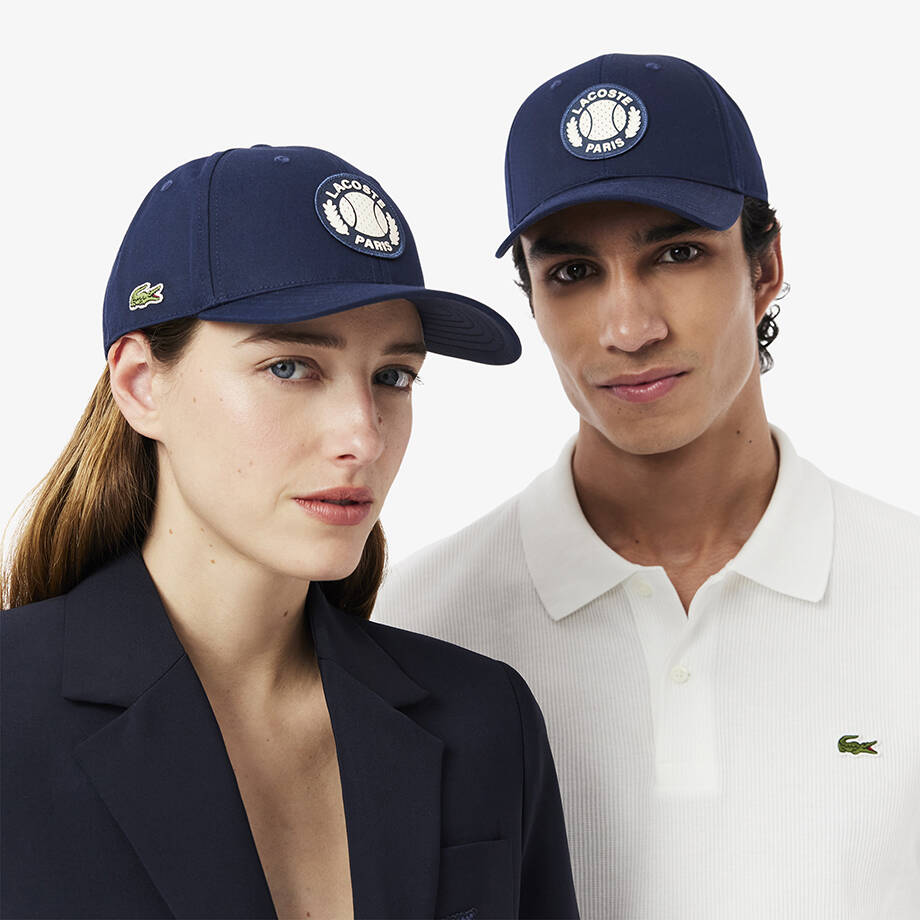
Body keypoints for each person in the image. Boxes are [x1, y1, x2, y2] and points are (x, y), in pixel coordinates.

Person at [374, 54, 920, 919]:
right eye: (572, 273)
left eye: (677, 254)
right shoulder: (414, 626)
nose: (629, 329)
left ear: (765, 268)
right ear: (531, 297)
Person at [0, 145, 579, 920]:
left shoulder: (483, 720)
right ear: (140, 385)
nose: (363, 436)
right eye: (290, 367)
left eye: (393, 376)